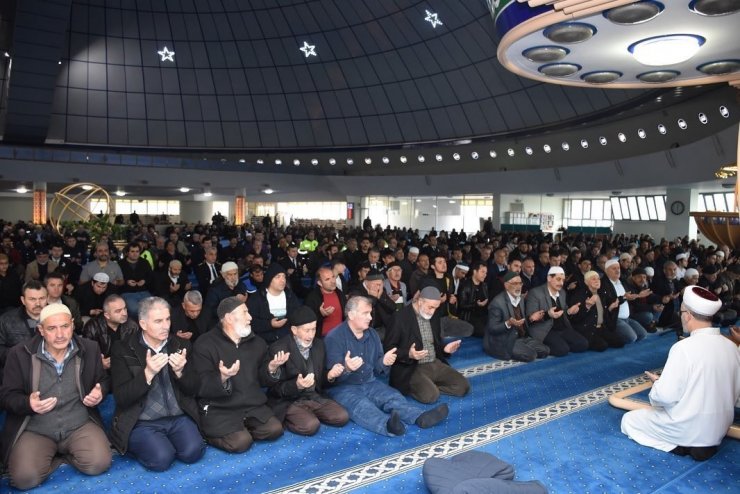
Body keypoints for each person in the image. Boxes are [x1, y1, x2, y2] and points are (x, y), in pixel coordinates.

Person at [620, 286, 740, 461]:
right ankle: (698, 443)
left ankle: (681, 446)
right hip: (719, 429)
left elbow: (665, 398)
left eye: (681, 311)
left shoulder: (683, 348)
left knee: (629, 420)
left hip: (686, 428)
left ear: (688, 315)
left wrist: (658, 384)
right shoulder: (731, 347)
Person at [0, 304, 111, 490]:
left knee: (98, 464)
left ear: (73, 325)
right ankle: (54, 456)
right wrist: (28, 403)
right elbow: (6, 396)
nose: (60, 334)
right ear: (41, 330)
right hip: (36, 428)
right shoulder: (20, 354)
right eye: (52, 328)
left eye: (65, 326)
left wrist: (101, 391)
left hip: (79, 424)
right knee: (24, 479)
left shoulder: (89, 348)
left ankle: (62, 453)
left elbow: (103, 379)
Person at [324, 296, 449, 436]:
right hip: (344, 388)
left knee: (392, 396)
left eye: (370, 313)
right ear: (351, 314)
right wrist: (346, 368)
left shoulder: (372, 334)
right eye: (365, 313)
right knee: (361, 406)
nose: (370, 317)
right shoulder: (334, 337)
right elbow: (332, 378)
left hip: (369, 381)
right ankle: (388, 426)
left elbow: (377, 367)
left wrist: (383, 362)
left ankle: (420, 417)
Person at [110, 297, 204, 471]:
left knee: (193, 452)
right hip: (142, 421)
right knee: (161, 459)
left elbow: (194, 388)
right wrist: (147, 374)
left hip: (178, 417)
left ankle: (164, 441)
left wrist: (180, 373)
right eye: (158, 321)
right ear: (143, 324)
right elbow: (122, 398)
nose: (166, 326)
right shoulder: (123, 349)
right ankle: (142, 444)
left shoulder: (180, 344)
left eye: (167, 319)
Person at [192, 297, 286, 453]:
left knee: (275, 429)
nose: (250, 317)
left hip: (252, 405)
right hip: (221, 408)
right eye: (245, 313)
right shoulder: (205, 344)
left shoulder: (257, 343)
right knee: (241, 443)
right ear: (229, 318)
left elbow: (263, 380)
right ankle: (212, 434)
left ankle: (243, 429)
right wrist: (222, 378)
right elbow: (200, 385)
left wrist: (271, 368)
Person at [267, 306, 349, 435]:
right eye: (307, 330)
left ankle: (307, 413)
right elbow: (274, 389)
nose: (311, 335)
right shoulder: (278, 349)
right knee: (310, 426)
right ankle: (289, 418)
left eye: (314, 329)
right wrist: (297, 385)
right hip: (290, 400)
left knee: (341, 416)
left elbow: (320, 379)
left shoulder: (318, 345)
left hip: (313, 396)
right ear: (294, 330)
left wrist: (330, 375)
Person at [384, 286, 470, 404]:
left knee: (463, 387)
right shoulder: (399, 318)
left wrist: (445, 349)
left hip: (434, 362)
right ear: (420, 301)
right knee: (431, 396)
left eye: (435, 308)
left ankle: (429, 385)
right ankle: (426, 387)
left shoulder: (433, 316)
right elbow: (388, 348)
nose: (432, 311)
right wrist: (408, 354)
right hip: (411, 367)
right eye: (430, 307)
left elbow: (434, 343)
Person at [485, 271, 550, 362]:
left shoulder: (520, 299)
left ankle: (522, 347)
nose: (519, 286)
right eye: (515, 283)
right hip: (505, 339)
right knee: (531, 355)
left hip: (521, 337)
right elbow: (492, 329)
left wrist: (531, 318)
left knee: (545, 350)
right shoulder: (497, 303)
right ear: (506, 285)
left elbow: (520, 320)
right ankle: (516, 349)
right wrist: (508, 323)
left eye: (520, 283)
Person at [525, 267, 589, 357]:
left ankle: (561, 343)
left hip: (562, 328)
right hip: (544, 329)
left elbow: (564, 310)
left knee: (583, 344)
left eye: (563, 280)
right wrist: (548, 314)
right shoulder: (535, 293)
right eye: (558, 279)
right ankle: (538, 345)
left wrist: (569, 312)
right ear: (549, 278)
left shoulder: (562, 292)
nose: (561, 283)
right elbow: (530, 318)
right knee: (562, 350)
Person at [0, 280, 48, 380]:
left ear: (47, 298)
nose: (38, 303)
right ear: (23, 300)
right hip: (17, 374)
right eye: (32, 299)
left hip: (49, 373)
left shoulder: (57, 317)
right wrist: (22, 355)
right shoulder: (6, 320)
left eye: (42, 298)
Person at [567, 271, 625, 352]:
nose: (597, 281)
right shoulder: (579, 295)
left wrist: (610, 309)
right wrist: (587, 307)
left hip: (601, 328)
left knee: (620, 342)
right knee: (602, 346)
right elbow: (574, 319)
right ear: (586, 282)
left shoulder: (601, 294)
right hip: (587, 330)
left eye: (598, 279)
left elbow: (603, 315)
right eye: (593, 279)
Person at [81, 294, 138, 372]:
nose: (124, 313)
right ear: (107, 315)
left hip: (125, 367)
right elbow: (86, 355)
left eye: (125, 309)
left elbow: (137, 351)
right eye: (118, 311)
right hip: (103, 371)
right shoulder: (92, 327)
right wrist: (99, 364)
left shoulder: (132, 326)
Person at [248, 263, 302, 344]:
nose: (283, 280)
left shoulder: (290, 296)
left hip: (288, 341)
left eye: (284, 276)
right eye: (278, 277)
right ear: (269, 279)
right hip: (264, 343)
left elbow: (298, 316)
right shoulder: (257, 298)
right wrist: (270, 324)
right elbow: (251, 322)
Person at [304, 266, 346, 337]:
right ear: (320, 283)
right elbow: (306, 322)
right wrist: (321, 315)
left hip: (342, 335)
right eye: (327, 279)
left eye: (333, 277)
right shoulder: (313, 298)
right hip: (323, 338)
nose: (333, 281)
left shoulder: (340, 294)